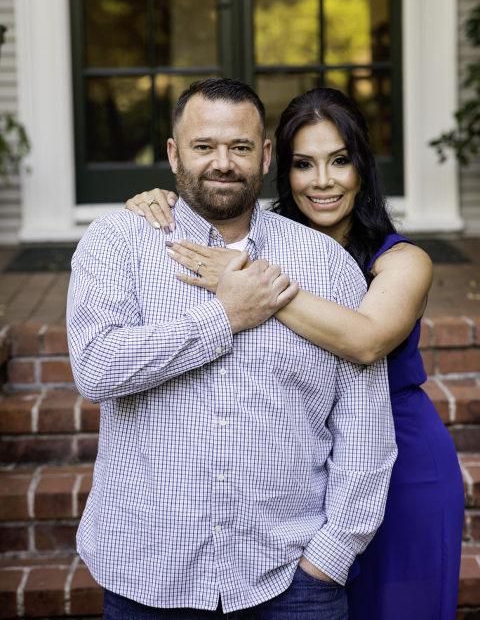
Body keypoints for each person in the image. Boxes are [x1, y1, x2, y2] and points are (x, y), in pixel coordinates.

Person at [127, 86, 465, 620]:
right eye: (304, 164)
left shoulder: (402, 260)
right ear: (278, 168)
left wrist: (244, 288)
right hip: (305, 474)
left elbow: (366, 340)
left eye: (340, 161)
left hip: (401, 464)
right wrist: (161, 200)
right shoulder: (267, 247)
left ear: (362, 169)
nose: (323, 180)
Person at [68, 79, 396, 620]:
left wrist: (330, 556)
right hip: (148, 575)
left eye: (240, 147)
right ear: (174, 154)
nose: (222, 163)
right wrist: (224, 318)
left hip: (292, 580)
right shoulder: (116, 243)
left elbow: (365, 430)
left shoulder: (326, 263)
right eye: (204, 147)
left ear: (265, 156)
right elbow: (98, 368)